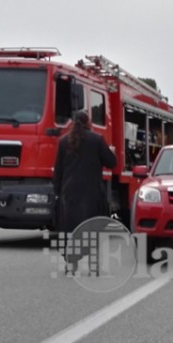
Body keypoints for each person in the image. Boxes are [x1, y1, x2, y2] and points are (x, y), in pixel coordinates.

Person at [52, 111, 117, 270]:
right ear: (88, 122)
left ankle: (71, 264)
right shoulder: (97, 140)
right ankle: (93, 265)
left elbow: (58, 171)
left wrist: (57, 193)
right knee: (92, 229)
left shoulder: (63, 141)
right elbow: (112, 163)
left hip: (69, 193)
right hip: (91, 193)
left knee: (70, 229)